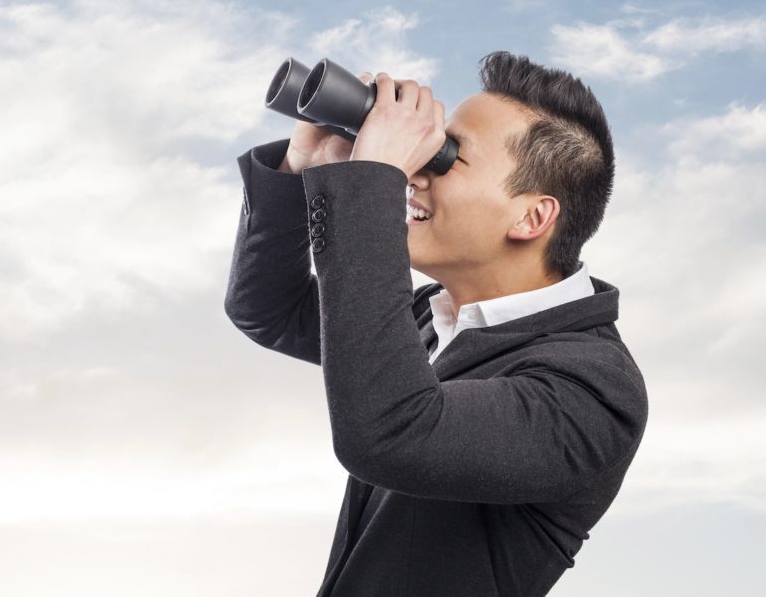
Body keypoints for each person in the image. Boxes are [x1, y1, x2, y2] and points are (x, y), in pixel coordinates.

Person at [224, 51, 648, 597]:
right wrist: (308, 164)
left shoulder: (590, 390)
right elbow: (269, 310)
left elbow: (390, 434)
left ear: (531, 217)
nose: (416, 170)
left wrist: (369, 181)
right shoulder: (433, 318)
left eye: (446, 157)